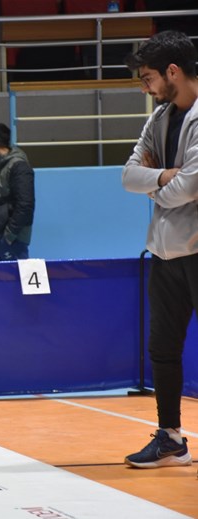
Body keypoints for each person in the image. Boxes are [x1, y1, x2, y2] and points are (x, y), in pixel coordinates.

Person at [121, 30, 197, 469]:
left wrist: (160, 182)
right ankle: (171, 439)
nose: (144, 87)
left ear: (173, 71)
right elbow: (130, 174)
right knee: (163, 350)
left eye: (148, 77)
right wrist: (167, 180)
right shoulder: (159, 117)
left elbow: (192, 184)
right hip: (165, 253)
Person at [0, 123, 35, 261]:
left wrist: (8, 236)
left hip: (12, 241)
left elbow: (26, 205)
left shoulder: (18, 166)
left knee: (15, 281)